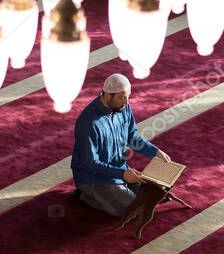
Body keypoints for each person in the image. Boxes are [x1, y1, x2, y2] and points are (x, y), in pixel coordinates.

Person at [71, 73, 171, 217]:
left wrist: (155, 152)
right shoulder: (88, 122)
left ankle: (109, 194)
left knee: (154, 196)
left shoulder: (123, 108)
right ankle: (87, 195)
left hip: (120, 170)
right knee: (134, 210)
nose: (126, 102)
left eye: (127, 96)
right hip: (94, 177)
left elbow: (132, 137)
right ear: (106, 95)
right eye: (121, 97)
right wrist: (122, 174)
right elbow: (89, 163)